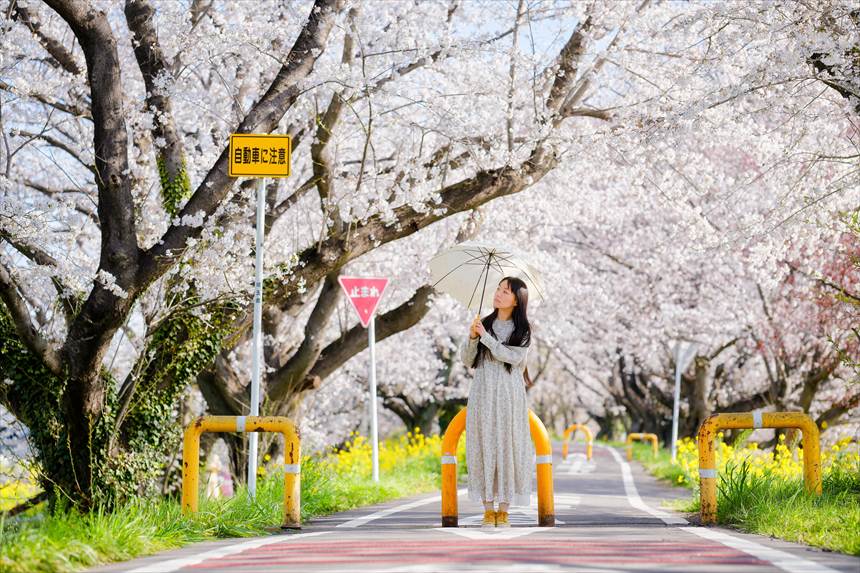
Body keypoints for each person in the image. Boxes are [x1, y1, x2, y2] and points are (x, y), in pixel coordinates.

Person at [459, 276, 534, 529]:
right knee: (483, 445)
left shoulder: (523, 330)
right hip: (483, 392)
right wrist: (472, 337)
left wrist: (486, 338)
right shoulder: (484, 323)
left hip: (509, 395)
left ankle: (504, 511)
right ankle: (487, 509)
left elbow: (512, 357)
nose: (498, 294)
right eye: (498, 289)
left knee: (507, 446)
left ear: (516, 300)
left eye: (506, 291)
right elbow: (468, 360)